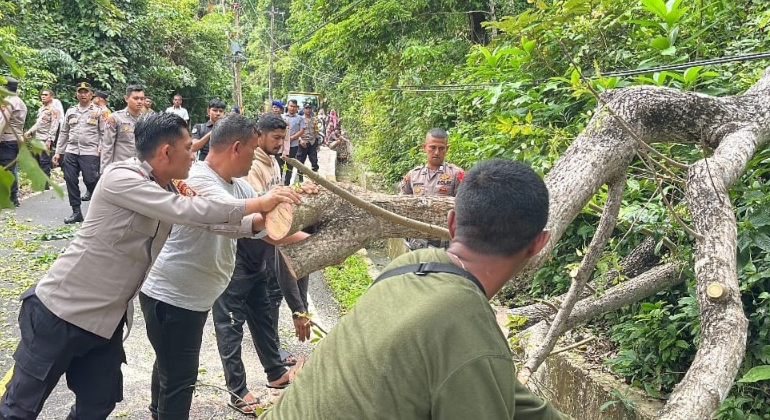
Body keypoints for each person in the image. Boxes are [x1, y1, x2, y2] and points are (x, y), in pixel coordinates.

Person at [0, 112, 299, 420]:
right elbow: (189, 210)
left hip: (105, 322)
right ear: (166, 152)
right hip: (62, 310)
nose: (194, 155)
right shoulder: (123, 177)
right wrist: (259, 203)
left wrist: (268, 218)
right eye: (188, 148)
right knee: (19, 409)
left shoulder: (169, 187)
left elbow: (211, 221)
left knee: (98, 404)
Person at [263, 158, 572, 420]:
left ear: (451, 223)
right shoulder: (468, 331)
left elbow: (499, 386)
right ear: (539, 244)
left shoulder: (410, 265)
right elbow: (477, 365)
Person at [138, 114, 300, 420]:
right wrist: (264, 204)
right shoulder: (196, 178)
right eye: (253, 149)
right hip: (171, 297)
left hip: (193, 298)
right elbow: (222, 217)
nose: (255, 157)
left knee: (170, 366)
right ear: (237, 148)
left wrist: (300, 214)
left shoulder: (239, 187)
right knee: (180, 379)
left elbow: (262, 226)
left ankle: (158, 413)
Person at [213, 113, 315, 416]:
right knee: (231, 325)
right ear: (255, 137)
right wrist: (304, 241)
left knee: (262, 316)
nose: (281, 144)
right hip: (237, 258)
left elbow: (275, 206)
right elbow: (260, 217)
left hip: (259, 257)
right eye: (276, 138)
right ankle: (237, 390)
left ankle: (275, 372)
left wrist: (298, 194)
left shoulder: (272, 163)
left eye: (284, 138)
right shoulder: (249, 167)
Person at [400, 128, 464, 250]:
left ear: (447, 149)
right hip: (417, 244)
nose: (436, 152)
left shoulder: (456, 174)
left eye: (441, 148)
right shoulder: (413, 176)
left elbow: (464, 208)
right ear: (424, 147)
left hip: (445, 245)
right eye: (432, 147)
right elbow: (402, 206)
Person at [53, 82, 105, 223]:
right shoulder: (71, 111)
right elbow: (64, 133)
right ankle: (76, 212)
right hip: (71, 150)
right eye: (80, 92)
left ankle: (101, 208)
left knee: (90, 180)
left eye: (85, 92)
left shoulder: (99, 112)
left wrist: (102, 147)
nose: (83, 95)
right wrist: (58, 152)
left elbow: (103, 132)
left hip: (90, 151)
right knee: (70, 180)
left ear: (91, 94)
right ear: (76, 94)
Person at [0, 77, 28, 207]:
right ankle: (12, 197)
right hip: (16, 139)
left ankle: (11, 198)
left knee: (5, 170)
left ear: (4, 87)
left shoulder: (8, 102)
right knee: (11, 169)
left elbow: (3, 122)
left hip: (7, 139)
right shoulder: (20, 102)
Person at [101, 84, 145, 173]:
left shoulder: (147, 119)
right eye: (136, 98)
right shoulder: (115, 118)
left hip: (140, 169)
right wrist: (105, 171)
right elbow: (107, 146)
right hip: (121, 168)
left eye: (142, 99)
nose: (139, 101)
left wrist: (150, 171)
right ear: (126, 98)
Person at [25, 89, 60, 186]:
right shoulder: (41, 109)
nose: (43, 96)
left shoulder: (54, 110)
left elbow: (54, 126)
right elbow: (38, 124)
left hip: (45, 139)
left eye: (46, 95)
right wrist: (30, 132)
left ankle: (45, 184)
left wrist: (49, 140)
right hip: (37, 138)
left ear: (51, 97)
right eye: (42, 95)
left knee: (44, 161)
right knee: (37, 161)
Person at [279, 99, 303, 185]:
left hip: (293, 145)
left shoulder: (300, 118)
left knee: (290, 165)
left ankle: (287, 184)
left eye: (294, 106)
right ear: (287, 106)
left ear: (297, 108)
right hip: (282, 146)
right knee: (280, 165)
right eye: (291, 106)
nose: (292, 108)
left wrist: (292, 138)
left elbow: (302, 130)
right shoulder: (282, 117)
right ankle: (279, 183)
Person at [294, 102, 319, 182]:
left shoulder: (314, 119)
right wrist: (300, 140)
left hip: (312, 142)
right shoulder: (300, 119)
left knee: (314, 161)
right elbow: (296, 131)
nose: (308, 110)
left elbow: (316, 131)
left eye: (309, 108)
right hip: (303, 143)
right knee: (300, 162)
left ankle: (315, 179)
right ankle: (299, 180)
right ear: (303, 109)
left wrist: (317, 142)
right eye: (306, 108)